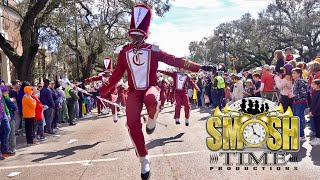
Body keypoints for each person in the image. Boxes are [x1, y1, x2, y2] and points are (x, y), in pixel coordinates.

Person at [99, 4, 212, 179]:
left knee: (152, 99)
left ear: (145, 34)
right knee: (131, 124)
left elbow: (174, 60)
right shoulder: (124, 52)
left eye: (139, 34)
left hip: (151, 87)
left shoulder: (153, 50)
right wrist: (100, 91)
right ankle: (144, 159)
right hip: (134, 92)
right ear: (130, 33)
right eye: (133, 33)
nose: (135, 36)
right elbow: (116, 76)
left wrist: (199, 67)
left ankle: (152, 119)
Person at [290, 68, 308, 140]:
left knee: (299, 118)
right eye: (292, 73)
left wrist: (294, 96)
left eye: (294, 73)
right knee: (296, 118)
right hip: (295, 102)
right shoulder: (295, 81)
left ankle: (301, 134)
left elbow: (304, 94)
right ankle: (298, 133)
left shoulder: (300, 82)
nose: (292, 74)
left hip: (300, 102)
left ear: (299, 74)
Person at [309, 79, 320, 145]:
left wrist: (314, 112)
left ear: (318, 85)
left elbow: (318, 104)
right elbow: (312, 103)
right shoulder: (313, 92)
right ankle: (317, 137)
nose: (312, 85)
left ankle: (318, 139)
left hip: (318, 113)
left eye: (313, 84)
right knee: (316, 125)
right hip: (314, 112)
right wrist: (311, 110)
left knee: (318, 126)